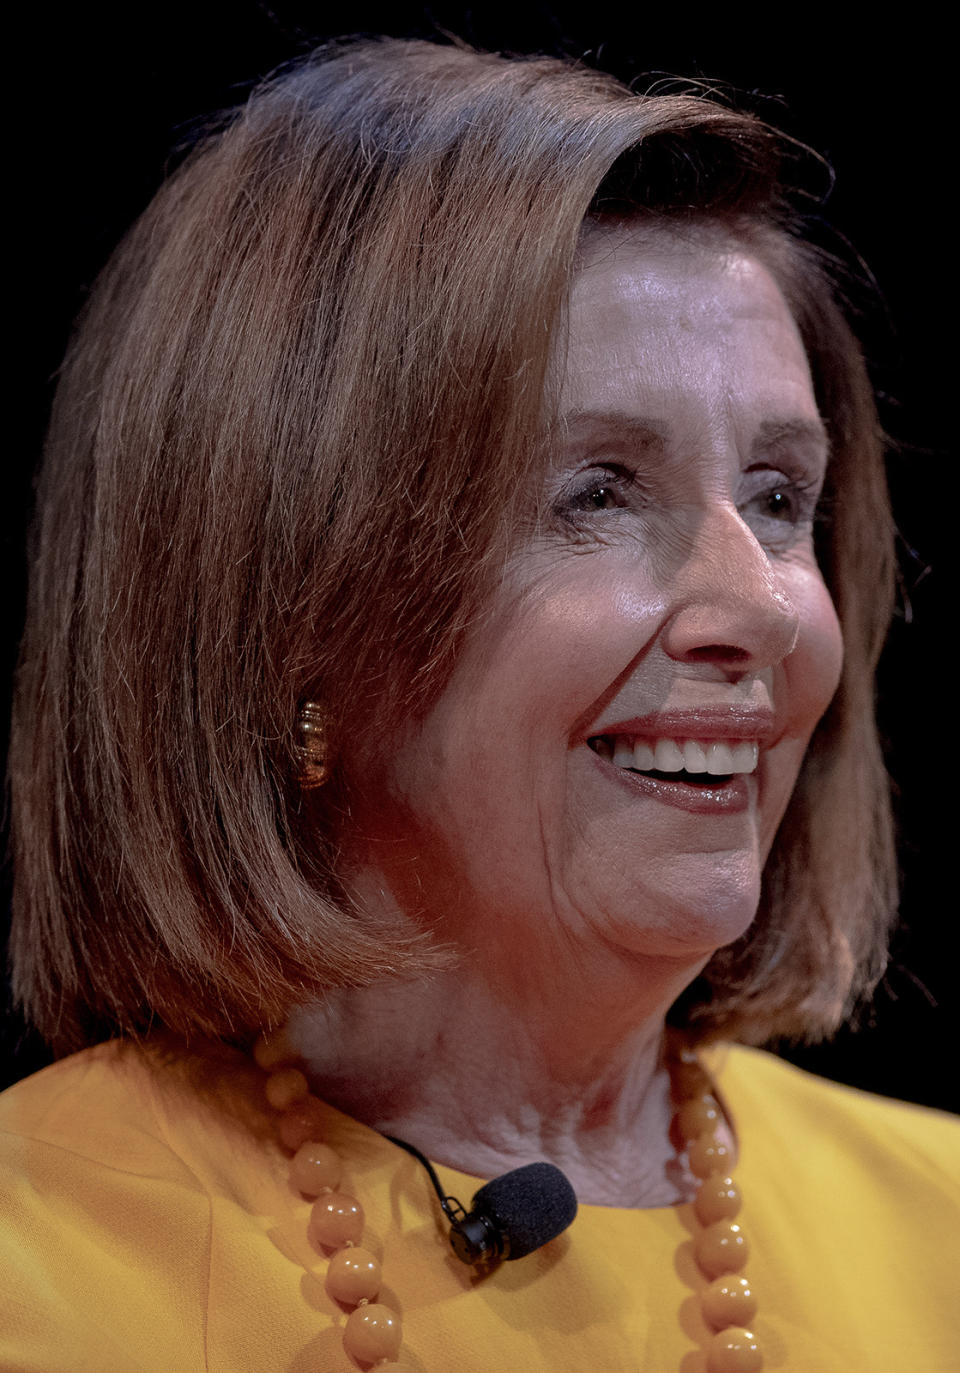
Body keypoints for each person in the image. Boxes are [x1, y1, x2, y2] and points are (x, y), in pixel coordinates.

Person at [2, 37, 957, 1373]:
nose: (764, 612)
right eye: (601, 491)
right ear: (289, 602)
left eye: (780, 497)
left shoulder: (940, 1232)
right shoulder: (35, 1263)